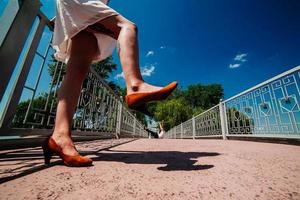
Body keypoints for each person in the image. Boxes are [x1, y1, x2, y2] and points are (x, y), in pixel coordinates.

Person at [42, 0, 177, 167]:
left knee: (77, 70)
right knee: (126, 27)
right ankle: (135, 85)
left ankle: (59, 136)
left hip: (79, 10)